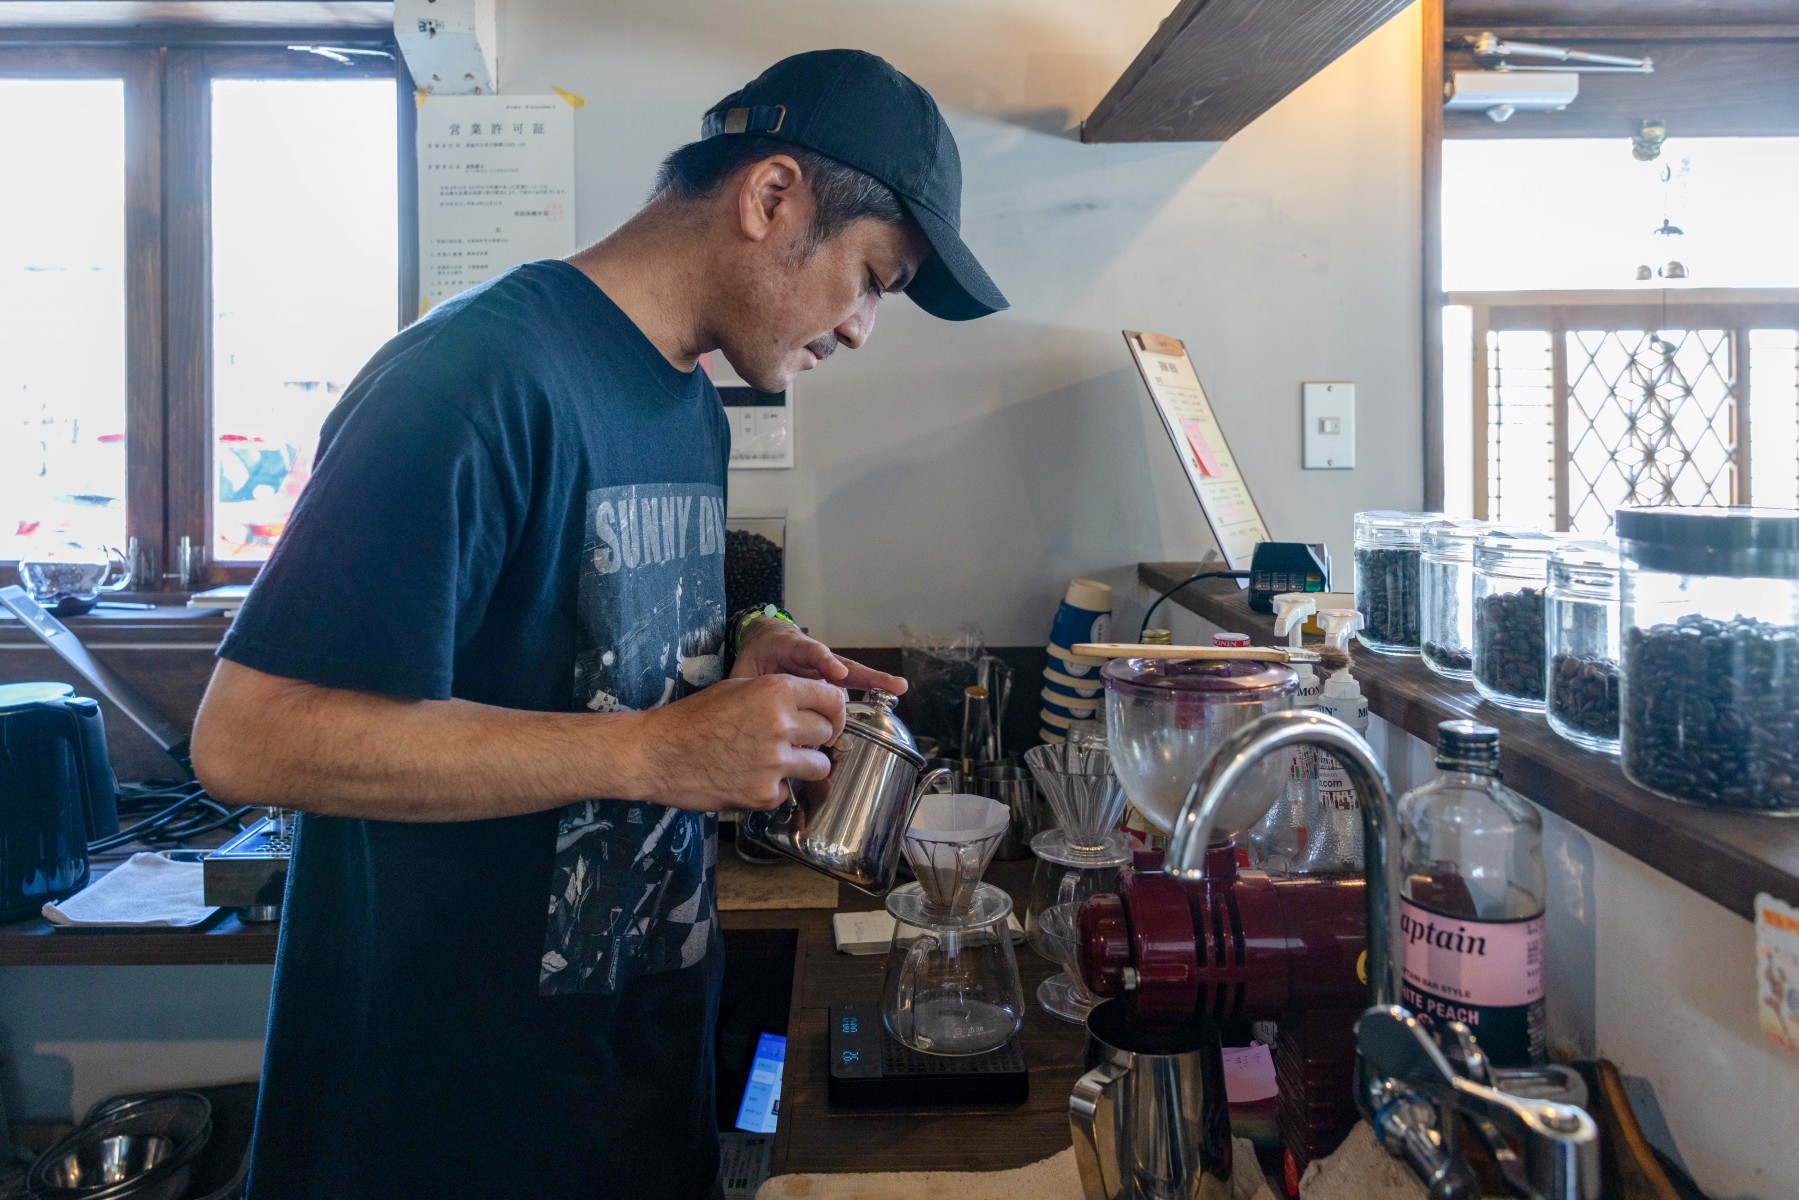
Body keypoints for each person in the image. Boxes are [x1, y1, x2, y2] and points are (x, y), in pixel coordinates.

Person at [189, 48, 1007, 1200]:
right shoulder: (472, 379)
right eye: (873, 277)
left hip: (628, 1089)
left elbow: (586, 650)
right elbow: (251, 737)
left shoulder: (689, 405)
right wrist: (656, 752)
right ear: (772, 197)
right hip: (450, 1127)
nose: (864, 327)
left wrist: (743, 644)